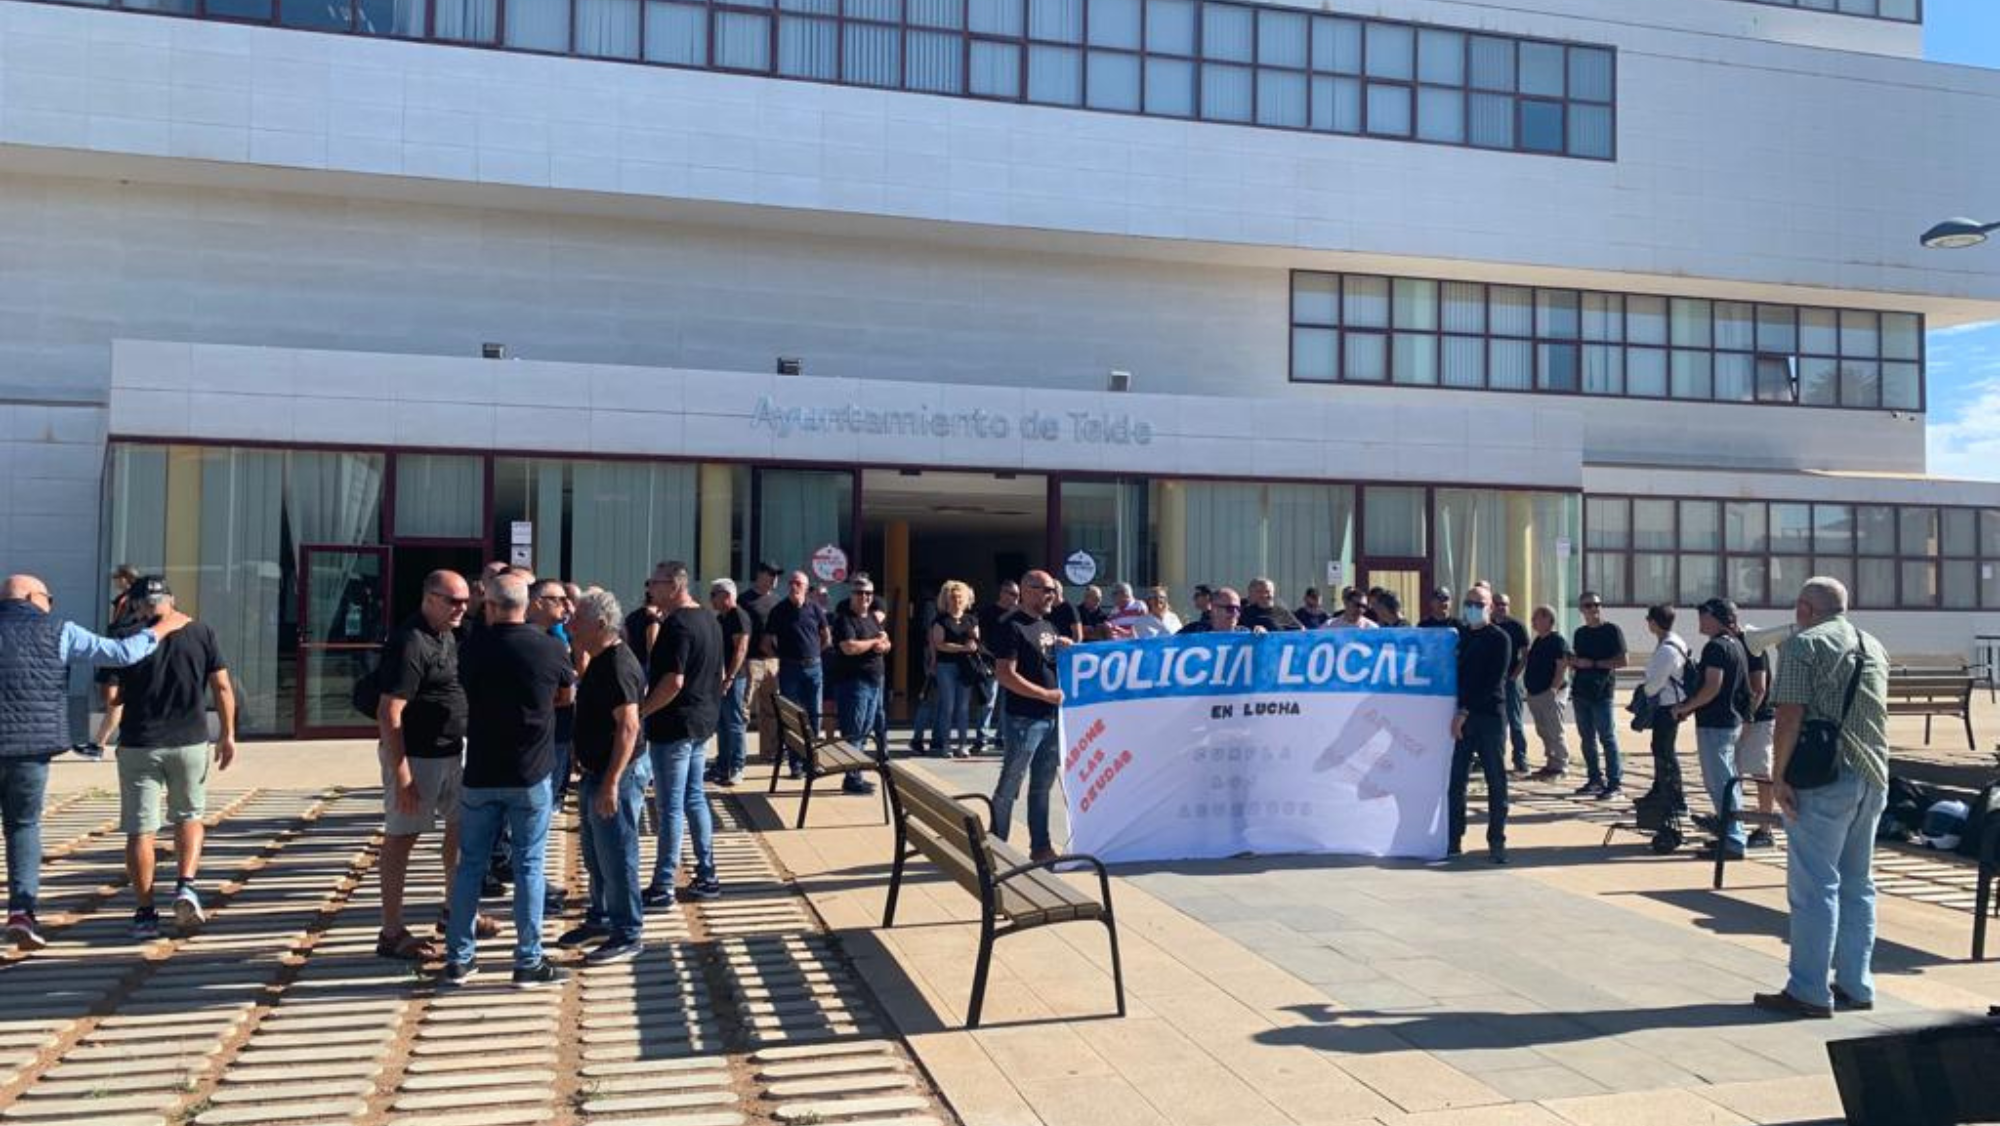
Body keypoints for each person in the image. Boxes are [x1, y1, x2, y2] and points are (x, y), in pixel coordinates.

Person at [1, 574, 166, 950]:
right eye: (49, 597)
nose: (51, 604)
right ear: (31, 596)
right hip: (30, 749)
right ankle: (22, 913)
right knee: (23, 827)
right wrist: (161, 629)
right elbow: (121, 654)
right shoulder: (60, 630)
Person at [1751, 576, 1889, 1020]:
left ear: (1803, 608)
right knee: (1858, 885)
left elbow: (1789, 715)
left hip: (1823, 778)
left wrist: (1778, 778)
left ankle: (1808, 990)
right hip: (1872, 776)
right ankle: (1855, 983)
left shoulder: (1803, 646)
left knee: (1813, 887)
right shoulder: (1873, 645)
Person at [444, 571, 575, 988]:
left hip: (481, 771)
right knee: (529, 867)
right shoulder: (551, 648)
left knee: (470, 868)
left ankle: (459, 958)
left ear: (492, 606)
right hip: (530, 771)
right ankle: (528, 960)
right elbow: (567, 695)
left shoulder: (473, 648)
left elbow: (464, 687)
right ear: (528, 604)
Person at [103, 578, 234, 939]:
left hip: (139, 741)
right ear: (171, 600)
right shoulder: (201, 632)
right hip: (190, 741)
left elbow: (111, 695)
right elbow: (222, 686)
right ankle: (186, 886)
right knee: (189, 816)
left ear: (138, 604)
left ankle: (145, 912)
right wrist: (227, 733)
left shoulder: (125, 636)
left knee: (140, 829)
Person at [375, 570, 472, 962]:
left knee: (460, 829)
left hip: (451, 751)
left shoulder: (446, 634)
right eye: (453, 601)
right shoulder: (410, 641)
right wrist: (403, 777)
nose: (462, 609)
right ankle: (391, 931)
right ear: (429, 598)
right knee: (402, 837)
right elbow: (389, 712)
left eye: (466, 601)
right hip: (417, 756)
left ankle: (455, 911)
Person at [557, 589, 648, 964]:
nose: (569, 623)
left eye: (576, 618)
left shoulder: (618, 665)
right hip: (597, 772)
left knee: (618, 854)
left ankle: (628, 931)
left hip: (617, 776)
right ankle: (601, 916)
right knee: (595, 855)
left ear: (598, 624)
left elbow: (628, 727)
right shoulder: (598, 658)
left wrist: (611, 781)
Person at [637, 561, 726, 909]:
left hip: (675, 726)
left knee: (671, 806)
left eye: (654, 583)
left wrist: (643, 711)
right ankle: (708, 875)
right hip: (700, 722)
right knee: (693, 798)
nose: (650, 590)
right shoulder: (709, 619)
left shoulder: (676, 624)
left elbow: (673, 681)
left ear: (674, 586)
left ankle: (663, 885)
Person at [990, 570, 1069, 863]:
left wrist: (1063, 649)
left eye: (1053, 590)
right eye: (1047, 589)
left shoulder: (1046, 624)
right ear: (1028, 590)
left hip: (1049, 718)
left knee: (1041, 787)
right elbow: (1005, 675)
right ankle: (995, 847)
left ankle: (1041, 848)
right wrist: (1045, 695)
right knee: (1010, 784)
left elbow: (1046, 663)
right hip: (1024, 719)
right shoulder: (1010, 625)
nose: (1052, 595)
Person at [1677, 598, 1752, 860]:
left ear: (1717, 618)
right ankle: (1730, 833)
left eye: (1704, 614)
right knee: (1728, 780)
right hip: (1730, 721)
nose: (1700, 619)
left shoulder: (1716, 647)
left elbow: (1712, 687)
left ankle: (1732, 839)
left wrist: (1685, 707)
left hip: (1715, 723)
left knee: (1719, 782)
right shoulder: (1736, 645)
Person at [1447, 586, 1512, 863]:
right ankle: (1453, 839)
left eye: (1479, 603)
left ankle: (1496, 841)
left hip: (1488, 718)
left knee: (1495, 781)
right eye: (1468, 602)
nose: (1472, 607)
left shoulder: (1500, 638)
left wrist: (1465, 711)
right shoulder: (1459, 636)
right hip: (1461, 719)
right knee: (1456, 782)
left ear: (1490, 606)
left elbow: (1492, 681)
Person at [763, 570, 834, 781]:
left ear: (806, 587)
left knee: (814, 715)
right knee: (792, 717)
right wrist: (782, 657)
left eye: (799, 583)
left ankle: (812, 762)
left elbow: (826, 637)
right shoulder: (779, 610)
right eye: (792, 583)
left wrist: (814, 655)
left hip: (814, 669)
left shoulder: (814, 608)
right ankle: (795, 765)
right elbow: (766, 643)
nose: (794, 586)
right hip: (790, 670)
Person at [82, 563, 145, 759]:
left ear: (126, 578)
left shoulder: (133, 600)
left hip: (121, 653)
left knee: (115, 699)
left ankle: (103, 744)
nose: (116, 582)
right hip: (121, 652)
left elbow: (127, 627)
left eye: (118, 578)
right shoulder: (126, 599)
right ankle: (102, 744)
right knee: (114, 700)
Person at [1568, 592, 1627, 800]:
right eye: (1588, 605)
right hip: (1581, 691)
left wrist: (1594, 664)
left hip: (1602, 693)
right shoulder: (1580, 633)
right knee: (1587, 739)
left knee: (1607, 738)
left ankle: (1615, 782)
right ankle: (1594, 779)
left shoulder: (1612, 630)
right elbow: (1575, 659)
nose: (1594, 608)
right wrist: (1574, 661)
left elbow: (1623, 661)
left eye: (1597, 604)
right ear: (1581, 609)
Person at [830, 574, 892, 761]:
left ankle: (856, 772)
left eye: (869, 593)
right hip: (854, 684)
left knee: (865, 731)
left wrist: (884, 645)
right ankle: (852, 777)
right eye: (860, 593)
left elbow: (886, 641)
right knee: (854, 733)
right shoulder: (845, 619)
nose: (865, 597)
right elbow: (849, 647)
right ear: (852, 594)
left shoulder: (872, 618)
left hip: (874, 682)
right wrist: (875, 642)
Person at [1638, 604, 1691, 817]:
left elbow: (1653, 685)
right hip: (1669, 704)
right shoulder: (1674, 641)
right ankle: (1660, 790)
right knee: (1660, 748)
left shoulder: (1667, 649)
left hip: (1667, 706)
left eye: (1648, 619)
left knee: (1665, 751)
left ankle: (1676, 800)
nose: (1647, 623)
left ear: (1654, 622)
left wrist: (1644, 688)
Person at [1737, 620, 1779, 849]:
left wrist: (1747, 718)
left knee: (1761, 774)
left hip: (1759, 719)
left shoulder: (1752, 645)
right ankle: (1735, 822)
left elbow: (1759, 688)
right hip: (1744, 719)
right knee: (1737, 773)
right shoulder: (1736, 643)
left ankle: (1765, 829)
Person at [929, 581, 980, 759]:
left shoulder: (971, 619)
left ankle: (963, 745)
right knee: (948, 706)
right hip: (946, 666)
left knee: (963, 708)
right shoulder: (940, 620)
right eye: (952, 597)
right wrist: (962, 648)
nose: (956, 600)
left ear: (966, 599)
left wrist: (971, 645)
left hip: (966, 667)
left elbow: (976, 642)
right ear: (946, 599)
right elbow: (940, 644)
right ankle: (945, 745)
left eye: (960, 597)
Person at [709, 578, 752, 787]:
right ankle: (722, 765)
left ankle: (737, 766)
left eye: (713, 594)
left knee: (734, 723)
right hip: (721, 678)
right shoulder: (721, 618)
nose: (711, 599)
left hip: (735, 679)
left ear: (726, 595)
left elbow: (740, 649)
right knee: (723, 724)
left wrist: (730, 677)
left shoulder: (738, 616)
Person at [742, 562, 784, 765]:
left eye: (777, 575)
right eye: (771, 574)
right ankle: (737, 754)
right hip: (751, 661)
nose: (775, 578)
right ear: (759, 574)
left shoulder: (777, 600)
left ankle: (769, 752)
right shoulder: (745, 600)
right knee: (744, 709)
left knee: (771, 710)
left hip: (773, 662)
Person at [1523, 605, 1572, 780]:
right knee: (1543, 730)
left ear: (1547, 620)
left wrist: (1553, 688)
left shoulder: (1557, 640)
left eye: (1536, 617)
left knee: (1554, 729)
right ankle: (1551, 763)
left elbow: (1562, 665)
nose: (1533, 621)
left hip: (1551, 692)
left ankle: (1561, 765)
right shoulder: (1538, 640)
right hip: (1535, 693)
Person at [973, 580, 1019, 749]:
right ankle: (982, 737)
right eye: (1012, 594)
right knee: (988, 702)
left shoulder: (1018, 614)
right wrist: (985, 656)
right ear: (1002, 593)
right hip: (991, 661)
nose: (1015, 599)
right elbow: (980, 637)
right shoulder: (987, 612)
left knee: (1008, 702)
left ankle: (1001, 736)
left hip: (1011, 663)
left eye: (1017, 595)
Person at [1490, 593, 1532, 774]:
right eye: (1498, 604)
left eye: (1504, 604)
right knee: (1494, 723)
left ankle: (1520, 758)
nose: (1501, 607)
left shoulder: (1517, 626)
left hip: (1510, 681)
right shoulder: (1487, 626)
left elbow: (1525, 654)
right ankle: (1494, 759)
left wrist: (1515, 676)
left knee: (1515, 722)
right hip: (1491, 682)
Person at [1177, 587, 1249, 634]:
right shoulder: (1193, 630)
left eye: (1238, 609)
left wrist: (1260, 638)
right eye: (1230, 608)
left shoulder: (1245, 634)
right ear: (1214, 609)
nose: (1235, 614)